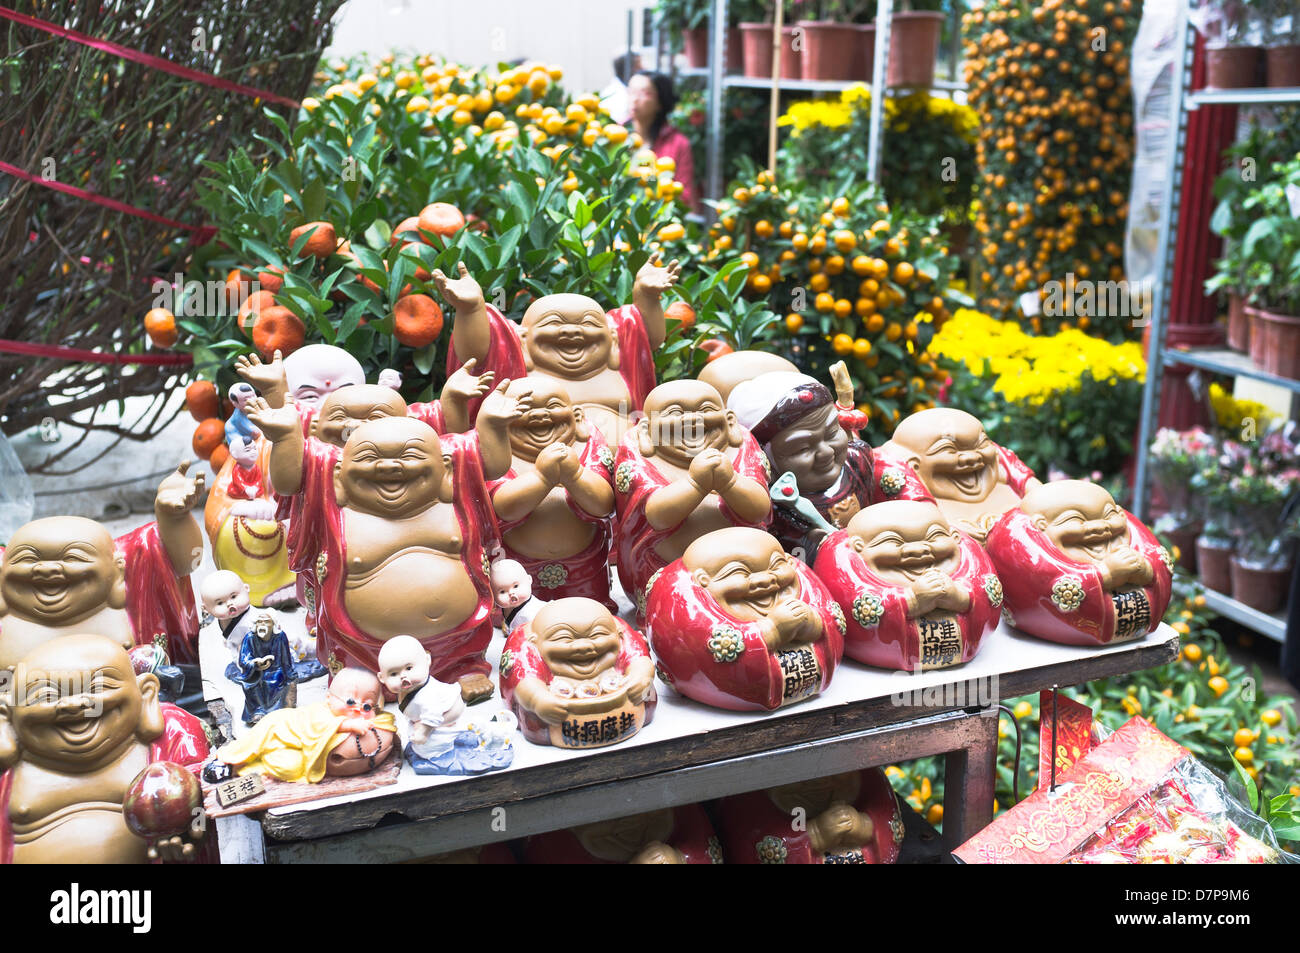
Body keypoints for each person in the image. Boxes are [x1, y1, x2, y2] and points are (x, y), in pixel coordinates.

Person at [628, 71, 698, 210]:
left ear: (660, 102)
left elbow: (683, 196)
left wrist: (654, 187)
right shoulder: (615, 136)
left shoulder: (677, 144)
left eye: (644, 93)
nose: (634, 99)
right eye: (631, 91)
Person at [600, 51, 642, 126]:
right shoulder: (616, 96)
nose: (643, 68)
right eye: (638, 65)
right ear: (628, 69)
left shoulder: (627, 90)